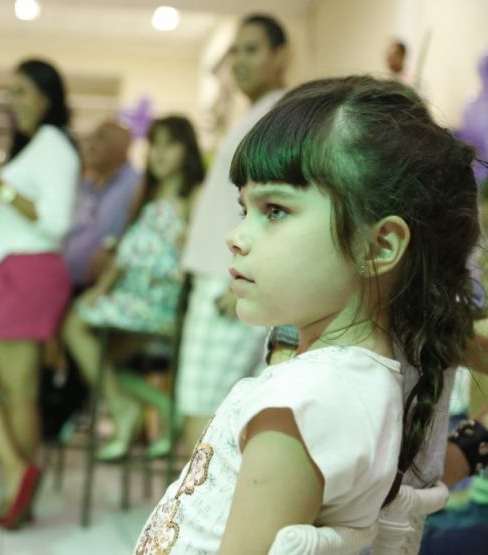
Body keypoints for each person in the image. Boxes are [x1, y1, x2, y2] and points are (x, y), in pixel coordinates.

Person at [134, 75, 481, 553]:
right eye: (244, 210)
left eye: (275, 210)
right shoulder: (354, 380)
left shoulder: (301, 405)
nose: (236, 237)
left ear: (378, 245)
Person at [0, 59, 80, 530]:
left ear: (47, 97)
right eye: (12, 93)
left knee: (18, 391)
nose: (15, 102)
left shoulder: (55, 146)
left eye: (23, 92)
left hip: (28, 273)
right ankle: (16, 474)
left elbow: (55, 222)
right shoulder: (38, 148)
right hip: (11, 275)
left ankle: (19, 495)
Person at [62, 115, 205, 461]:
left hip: (160, 300)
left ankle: (125, 408)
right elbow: (125, 252)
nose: (159, 153)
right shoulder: (146, 194)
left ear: (186, 151)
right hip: (130, 295)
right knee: (103, 358)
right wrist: (102, 289)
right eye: (154, 144)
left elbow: (194, 254)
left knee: (78, 330)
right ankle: (156, 405)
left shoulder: (194, 196)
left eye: (170, 145)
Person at [175, 14, 288, 449]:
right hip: (222, 276)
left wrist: (244, 277)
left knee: (202, 419)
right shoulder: (255, 113)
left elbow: (275, 204)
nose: (239, 60)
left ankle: (191, 518)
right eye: (235, 51)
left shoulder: (281, 113)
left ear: (281, 55)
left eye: (252, 49)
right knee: (215, 418)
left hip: (229, 281)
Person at [63, 120, 141, 290]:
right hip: (66, 280)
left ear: (122, 147)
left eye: (100, 138)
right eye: (89, 138)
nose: (90, 144)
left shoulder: (135, 185)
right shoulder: (87, 183)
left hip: (101, 287)